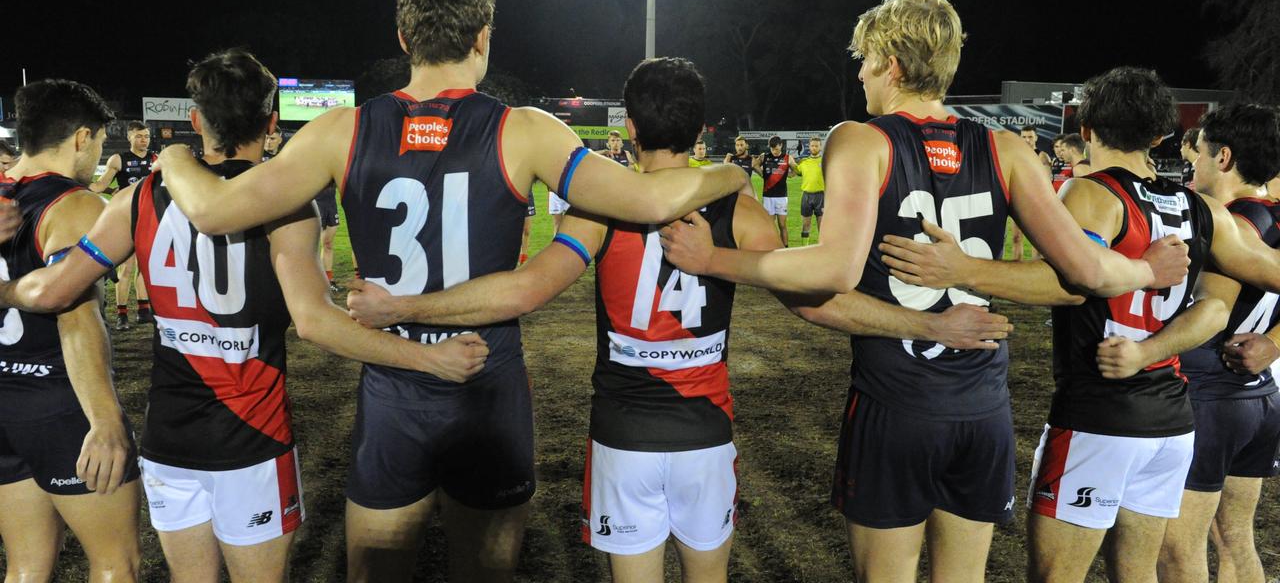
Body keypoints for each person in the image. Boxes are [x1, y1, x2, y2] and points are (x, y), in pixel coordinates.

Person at [152, 0, 748, 583]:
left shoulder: (341, 131)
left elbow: (214, 212)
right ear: (483, 36)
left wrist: (173, 156)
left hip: (392, 391)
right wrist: (732, 171)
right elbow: (655, 198)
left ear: (404, 37)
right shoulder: (524, 131)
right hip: (487, 383)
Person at [345, 56, 1011, 583]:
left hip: (624, 437)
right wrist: (927, 325)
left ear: (628, 128)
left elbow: (528, 288)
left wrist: (401, 309)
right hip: (705, 436)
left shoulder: (600, 212)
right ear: (701, 128)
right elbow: (816, 300)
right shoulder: (739, 210)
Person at [659, 0, 1190, 583]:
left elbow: (831, 274)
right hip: (982, 408)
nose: (859, 74)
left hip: (897, 403)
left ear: (890, 63)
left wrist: (715, 259)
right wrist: (1144, 271)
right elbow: (1082, 280)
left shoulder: (861, 139)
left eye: (863, 60)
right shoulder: (1006, 147)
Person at [0, 51, 491, 583]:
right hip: (251, 438)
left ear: (194, 121)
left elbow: (50, 291)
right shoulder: (287, 207)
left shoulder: (137, 198)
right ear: (272, 122)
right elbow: (315, 322)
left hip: (170, 439)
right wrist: (429, 358)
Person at [873, 69, 1280, 583]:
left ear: (1085, 129)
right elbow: (1226, 301)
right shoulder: (1204, 211)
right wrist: (1154, 350)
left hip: (1100, 418)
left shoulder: (1090, 196)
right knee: (1139, 574)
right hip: (1173, 422)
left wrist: (963, 270)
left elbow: (1069, 283)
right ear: (1161, 137)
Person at [0, 79, 141, 582]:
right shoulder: (76, 204)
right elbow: (78, 318)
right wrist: (104, 419)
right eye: (100, 143)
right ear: (82, 138)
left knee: (24, 567)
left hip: (4, 400)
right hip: (56, 403)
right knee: (114, 563)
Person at [1159, 105, 1280, 583]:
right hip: (1259, 397)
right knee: (1235, 539)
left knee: (1176, 549)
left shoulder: (1232, 224)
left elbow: (1212, 312)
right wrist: (1272, 343)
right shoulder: (1274, 212)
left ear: (1224, 157)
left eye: (1201, 154)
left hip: (1211, 395)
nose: (1195, 166)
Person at [90, 120, 155, 330]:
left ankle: (144, 311)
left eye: (146, 136)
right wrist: (76, 182)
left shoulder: (156, 159)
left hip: (149, 219)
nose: (143, 140)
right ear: (129, 137)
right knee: (126, 268)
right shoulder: (119, 159)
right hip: (127, 219)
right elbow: (100, 185)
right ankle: (122, 314)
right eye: (139, 136)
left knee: (146, 267)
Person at [1008, 125, 1052, 260]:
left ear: (1036, 138)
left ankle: (1036, 267)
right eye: (1024, 137)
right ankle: (1016, 265)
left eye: (1030, 137)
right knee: (1016, 237)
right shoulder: (1015, 153)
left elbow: (1046, 181)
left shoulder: (1042, 156)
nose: (1027, 140)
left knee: (1038, 240)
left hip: (1036, 201)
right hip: (1018, 199)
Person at [753, 136, 796, 247]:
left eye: (776, 149)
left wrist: (790, 175)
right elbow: (754, 164)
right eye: (772, 149)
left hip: (781, 197)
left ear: (781, 145)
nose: (774, 151)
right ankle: (771, 247)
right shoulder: (764, 157)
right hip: (768, 196)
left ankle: (785, 247)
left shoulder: (788, 158)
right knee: (769, 225)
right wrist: (761, 174)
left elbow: (797, 169)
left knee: (782, 225)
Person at [795, 136, 825, 244]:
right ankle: (805, 248)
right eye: (812, 146)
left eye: (816, 146)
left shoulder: (825, 161)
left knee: (821, 226)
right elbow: (795, 172)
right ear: (809, 147)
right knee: (805, 224)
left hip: (821, 196)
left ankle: (822, 249)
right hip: (806, 196)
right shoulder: (804, 162)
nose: (814, 148)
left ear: (820, 147)